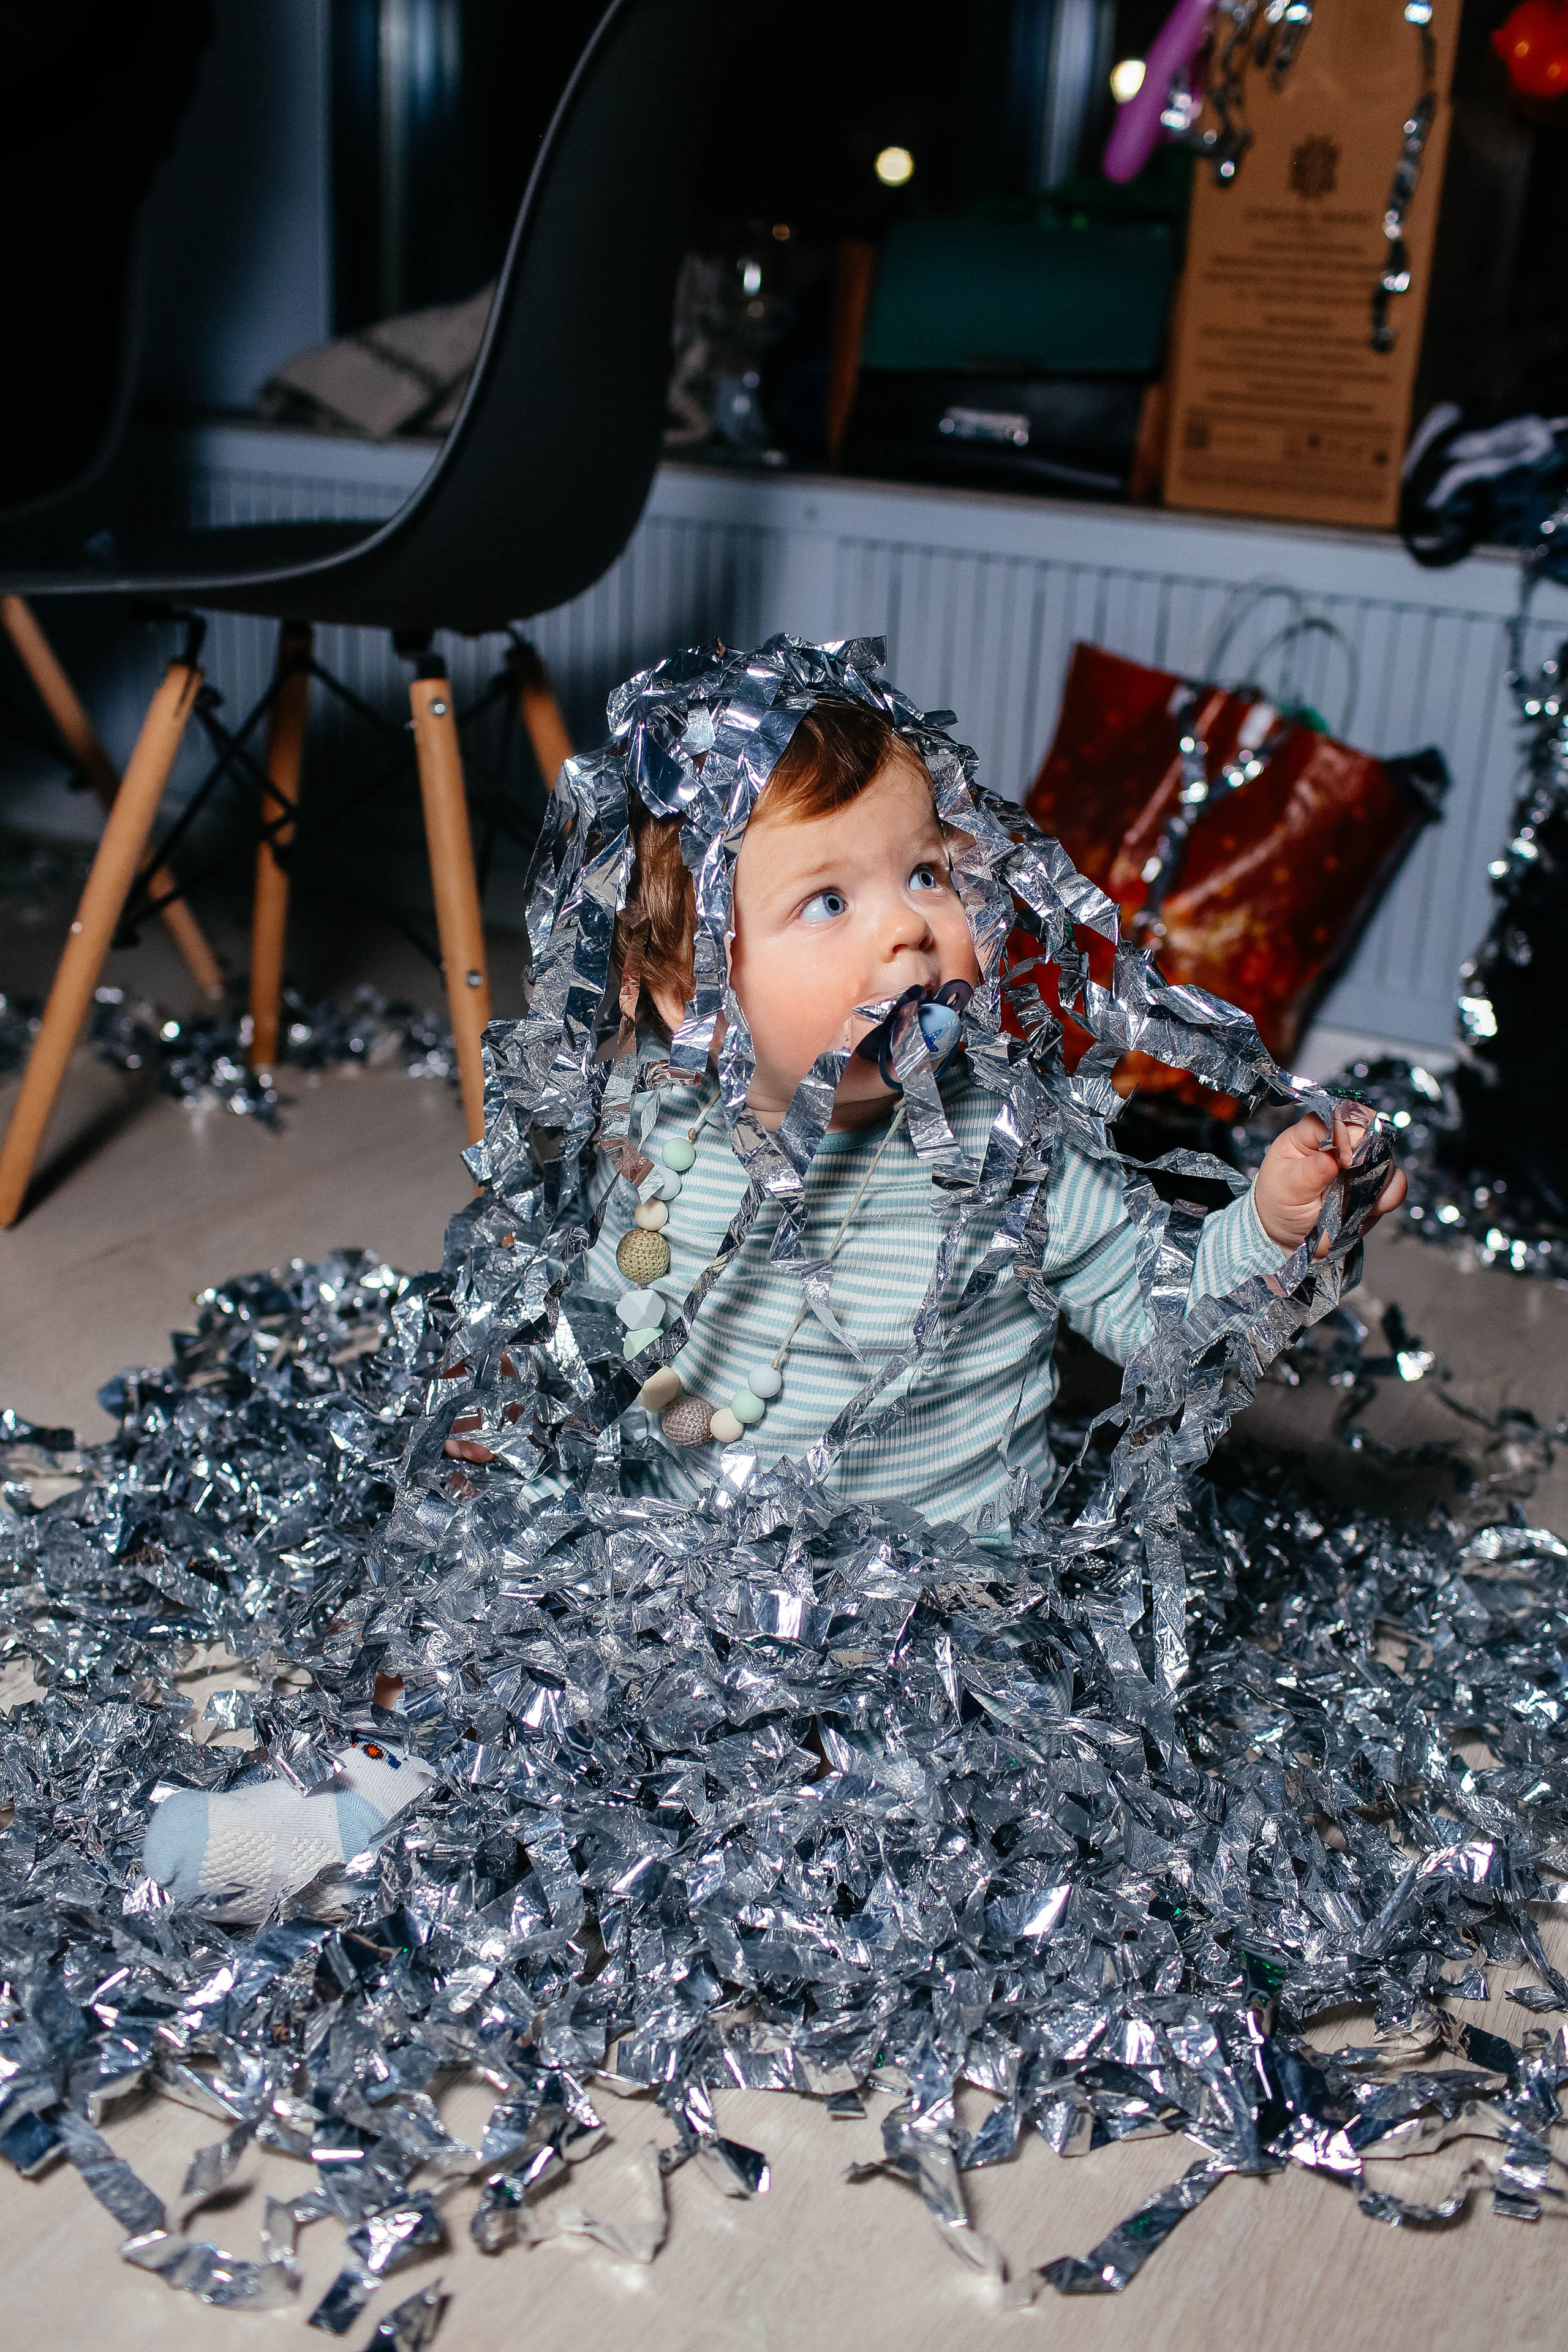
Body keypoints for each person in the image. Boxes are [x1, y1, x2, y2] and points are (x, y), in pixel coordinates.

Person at [142, 662, 1403, 1913]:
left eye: (924, 872)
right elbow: (611, 1325)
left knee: (931, 1788)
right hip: (681, 1577)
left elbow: (1154, 1313)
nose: (907, 926)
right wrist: (568, 1395)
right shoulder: (652, 1133)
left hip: (938, 1610)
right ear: (682, 991)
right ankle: (351, 1811)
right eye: (826, 902)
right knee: (492, 1625)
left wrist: (1274, 1228)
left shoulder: (1014, 1144)